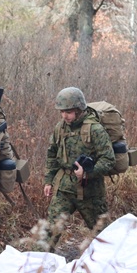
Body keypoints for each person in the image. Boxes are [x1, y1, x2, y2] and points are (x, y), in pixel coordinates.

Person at [42, 87, 115, 251]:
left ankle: (114, 269)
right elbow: (52, 154)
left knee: (104, 236)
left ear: (78, 109)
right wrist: (48, 181)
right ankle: (41, 270)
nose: (64, 115)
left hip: (90, 191)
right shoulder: (60, 128)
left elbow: (109, 159)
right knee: (49, 235)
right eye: (61, 112)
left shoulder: (95, 129)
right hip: (64, 188)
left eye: (68, 112)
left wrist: (88, 172)